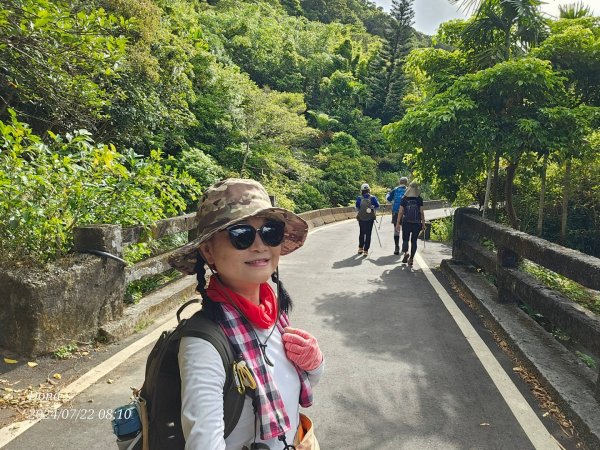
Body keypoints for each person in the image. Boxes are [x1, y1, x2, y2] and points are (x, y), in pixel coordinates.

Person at [169, 178, 324, 450]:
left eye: (270, 232)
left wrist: (314, 364)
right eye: (240, 235)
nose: (260, 245)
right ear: (208, 251)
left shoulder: (273, 315)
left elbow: (290, 387)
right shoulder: (203, 345)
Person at [395, 180, 425, 266]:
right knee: (414, 241)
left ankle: (405, 253)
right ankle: (411, 259)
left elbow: (400, 212)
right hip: (416, 223)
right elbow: (422, 212)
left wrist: (398, 223)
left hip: (406, 222)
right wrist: (423, 223)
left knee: (405, 239)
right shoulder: (419, 199)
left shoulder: (404, 198)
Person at [355, 183, 380, 257]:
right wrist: (372, 208)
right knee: (368, 234)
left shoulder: (359, 198)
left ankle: (360, 248)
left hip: (361, 218)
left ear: (362, 190)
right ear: (369, 189)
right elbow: (377, 206)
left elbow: (357, 208)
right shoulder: (373, 198)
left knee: (362, 232)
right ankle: (366, 250)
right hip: (370, 218)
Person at [386, 177, 408, 255]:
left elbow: (388, 199)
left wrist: (388, 193)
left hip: (396, 212)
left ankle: (396, 247)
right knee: (405, 230)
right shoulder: (408, 190)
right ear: (406, 183)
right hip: (406, 213)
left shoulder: (395, 189)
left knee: (396, 230)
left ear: (399, 182)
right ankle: (404, 247)